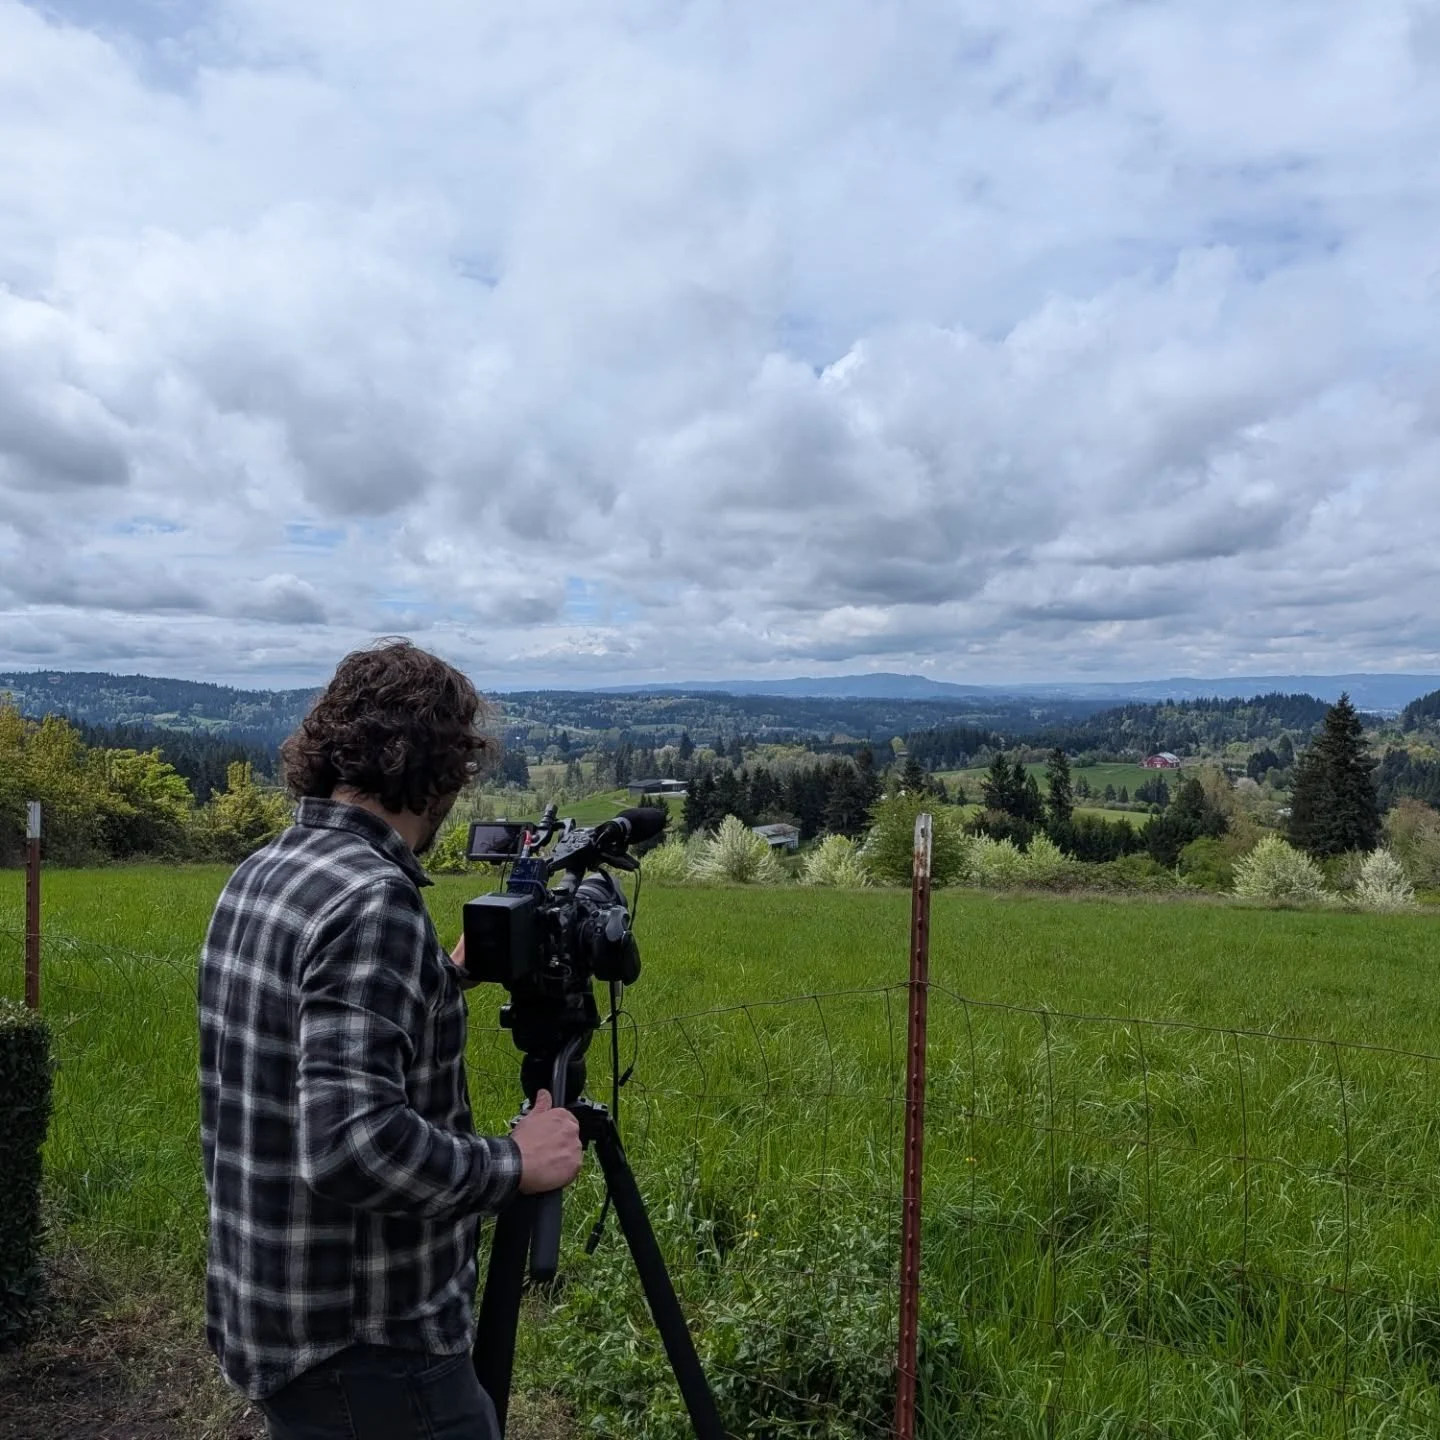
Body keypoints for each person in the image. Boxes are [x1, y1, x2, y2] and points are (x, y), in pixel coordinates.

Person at [198, 639, 582, 1440]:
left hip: (273, 1308)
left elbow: (301, 1033)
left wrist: (440, 976)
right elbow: (351, 1144)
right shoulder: (374, 902)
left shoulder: (266, 869)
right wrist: (515, 1162)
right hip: (369, 1347)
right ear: (440, 772)